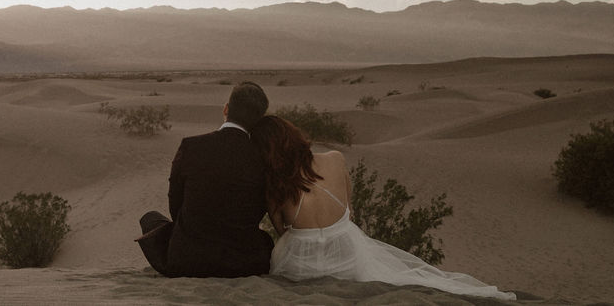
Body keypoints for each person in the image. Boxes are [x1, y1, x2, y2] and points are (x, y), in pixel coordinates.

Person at [249, 115, 516, 300]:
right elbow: (349, 212)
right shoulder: (335, 159)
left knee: (283, 246)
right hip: (347, 260)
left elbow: (282, 229)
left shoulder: (276, 186)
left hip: (300, 267)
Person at [136, 81, 274, 277]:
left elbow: (175, 204)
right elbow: (263, 207)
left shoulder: (191, 146)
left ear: (226, 109)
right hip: (244, 262)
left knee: (152, 219)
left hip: (188, 260)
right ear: (260, 119)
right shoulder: (264, 157)